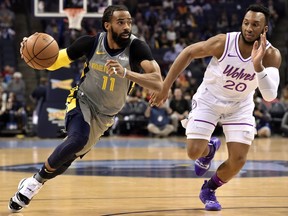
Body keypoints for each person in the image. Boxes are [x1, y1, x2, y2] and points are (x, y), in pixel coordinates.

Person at [8, 5, 163, 212]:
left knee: (66, 159)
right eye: (121, 22)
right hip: (83, 100)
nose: (127, 26)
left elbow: (157, 81)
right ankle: (32, 187)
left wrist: (126, 73)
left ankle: (34, 181)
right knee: (77, 138)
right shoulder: (89, 43)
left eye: (129, 22)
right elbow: (54, 61)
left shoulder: (137, 48)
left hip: (106, 116)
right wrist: (30, 49)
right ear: (107, 25)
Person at [150, 4, 281, 211]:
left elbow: (269, 95)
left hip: (240, 105)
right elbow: (189, 52)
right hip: (210, 99)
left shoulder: (271, 54)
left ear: (264, 29)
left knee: (238, 160)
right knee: (194, 152)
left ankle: (209, 189)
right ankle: (209, 149)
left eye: (255, 25)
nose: (249, 28)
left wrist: (257, 66)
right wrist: (166, 86)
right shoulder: (224, 42)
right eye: (246, 23)